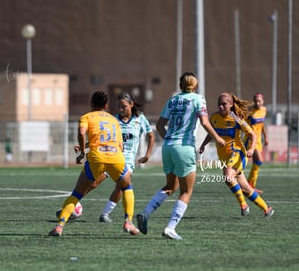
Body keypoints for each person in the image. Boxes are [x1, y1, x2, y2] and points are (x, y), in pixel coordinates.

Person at [136, 72, 226, 240]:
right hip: (184, 148)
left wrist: (169, 140)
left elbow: (161, 125)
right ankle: (170, 228)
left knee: (170, 186)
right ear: (196, 85)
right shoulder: (198, 99)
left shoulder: (173, 100)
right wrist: (218, 138)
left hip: (168, 147)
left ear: (180, 85)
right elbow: (205, 122)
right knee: (186, 191)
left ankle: (145, 213)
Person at [49, 91, 140, 236]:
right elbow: (121, 145)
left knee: (77, 193)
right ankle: (128, 222)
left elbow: (81, 132)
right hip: (116, 157)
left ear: (91, 104)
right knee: (127, 188)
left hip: (97, 157)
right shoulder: (113, 120)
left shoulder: (86, 117)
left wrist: (82, 153)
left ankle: (59, 226)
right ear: (106, 105)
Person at [199, 92, 274, 219]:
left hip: (237, 154)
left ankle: (243, 206)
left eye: (224, 104)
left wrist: (250, 149)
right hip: (223, 157)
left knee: (228, 177)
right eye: (219, 104)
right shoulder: (214, 118)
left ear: (231, 104)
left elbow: (253, 134)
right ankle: (267, 209)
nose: (221, 107)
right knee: (245, 189)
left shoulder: (236, 119)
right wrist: (203, 145)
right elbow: (212, 133)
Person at [98, 92, 155, 222]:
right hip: (111, 157)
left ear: (131, 104)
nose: (120, 109)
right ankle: (72, 206)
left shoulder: (140, 119)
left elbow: (151, 136)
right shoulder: (113, 120)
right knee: (93, 182)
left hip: (127, 161)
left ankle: (105, 214)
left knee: (121, 185)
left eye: (123, 106)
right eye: (118, 106)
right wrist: (84, 146)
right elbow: (101, 137)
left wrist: (147, 155)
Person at [244, 92, 268, 193]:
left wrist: (266, 137)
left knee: (257, 162)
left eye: (260, 101)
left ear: (263, 101)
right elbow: (242, 124)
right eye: (256, 101)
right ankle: (248, 184)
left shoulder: (264, 110)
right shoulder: (250, 111)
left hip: (258, 140)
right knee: (255, 161)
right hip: (250, 139)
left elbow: (262, 125)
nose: (258, 103)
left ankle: (249, 185)